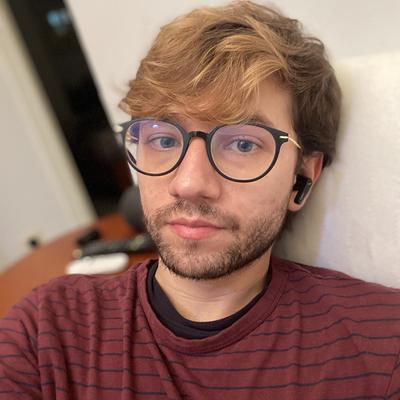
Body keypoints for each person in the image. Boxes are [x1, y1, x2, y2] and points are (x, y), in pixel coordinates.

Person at [1, 1, 400, 399]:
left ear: (302, 179)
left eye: (242, 144)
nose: (189, 184)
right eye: (163, 139)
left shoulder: (382, 347)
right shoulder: (45, 333)